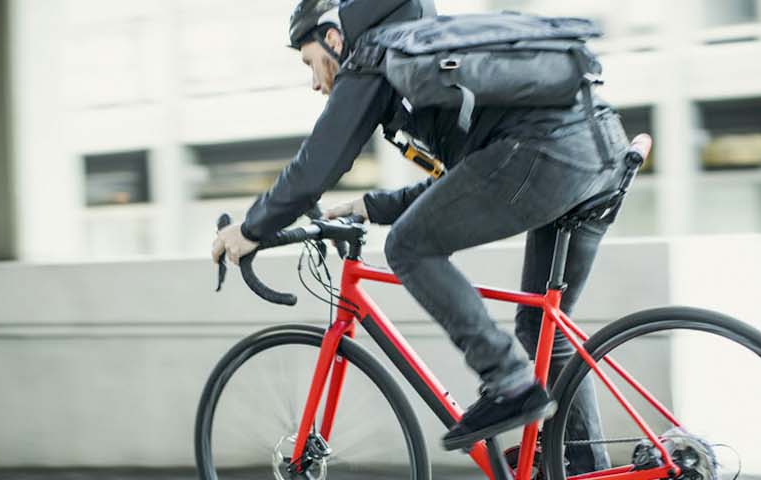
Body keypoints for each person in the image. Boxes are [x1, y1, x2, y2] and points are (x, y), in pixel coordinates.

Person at [209, 0, 653, 470]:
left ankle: (509, 381)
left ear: (334, 38)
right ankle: (584, 468)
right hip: (598, 150)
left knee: (409, 245)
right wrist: (369, 206)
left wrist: (253, 229)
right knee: (542, 325)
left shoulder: (375, 56)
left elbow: (318, 164)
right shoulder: (433, 50)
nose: (316, 82)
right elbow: (468, 176)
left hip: (545, 155)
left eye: (310, 62)